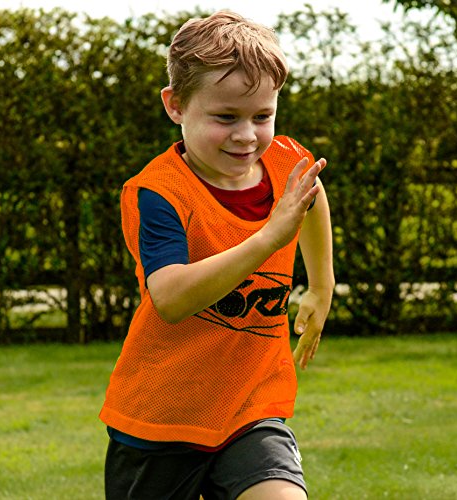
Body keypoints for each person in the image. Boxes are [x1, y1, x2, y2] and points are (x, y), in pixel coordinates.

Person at [100, 10, 334, 500]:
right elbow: (170, 296)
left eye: (262, 116)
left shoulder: (284, 162)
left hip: (249, 405)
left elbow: (309, 193)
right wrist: (269, 239)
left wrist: (321, 284)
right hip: (161, 420)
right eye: (225, 117)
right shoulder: (159, 193)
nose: (247, 135)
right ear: (176, 105)